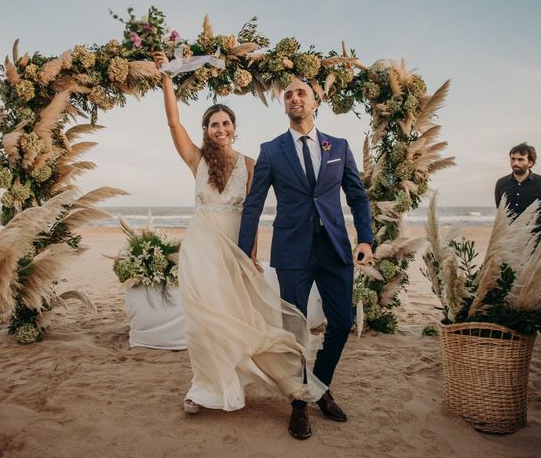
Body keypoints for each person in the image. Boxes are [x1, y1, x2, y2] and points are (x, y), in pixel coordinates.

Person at [151, 52, 327, 424]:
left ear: (234, 127)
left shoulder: (250, 164)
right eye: (213, 123)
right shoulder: (196, 160)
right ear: (207, 130)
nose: (220, 128)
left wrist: (252, 254)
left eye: (225, 123)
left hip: (233, 251)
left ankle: (249, 379)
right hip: (200, 250)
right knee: (201, 321)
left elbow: (255, 213)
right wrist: (167, 76)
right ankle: (204, 388)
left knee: (239, 317)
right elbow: (171, 122)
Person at [238, 78, 374, 440]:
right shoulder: (271, 150)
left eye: (301, 93)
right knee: (295, 331)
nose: (294, 98)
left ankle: (320, 387)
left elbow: (358, 198)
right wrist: (242, 251)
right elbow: (254, 205)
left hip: (335, 249)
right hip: (292, 251)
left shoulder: (339, 147)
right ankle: (299, 406)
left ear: (316, 102)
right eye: (288, 95)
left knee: (342, 322)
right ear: (284, 105)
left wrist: (366, 239)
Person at [494, 143, 541, 227]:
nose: (515, 163)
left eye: (520, 160)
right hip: (506, 236)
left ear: (530, 163)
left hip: (533, 237)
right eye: (513, 159)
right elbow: (501, 211)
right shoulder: (501, 183)